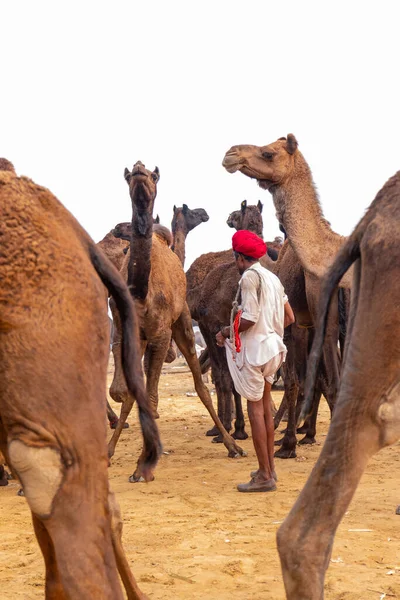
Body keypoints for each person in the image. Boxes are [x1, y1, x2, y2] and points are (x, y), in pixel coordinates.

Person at [216, 230, 295, 492]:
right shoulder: (273, 278)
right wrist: (271, 331)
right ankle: (270, 469)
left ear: (240, 258)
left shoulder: (250, 278)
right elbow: (290, 318)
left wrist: (227, 331)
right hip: (273, 350)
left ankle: (264, 475)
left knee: (256, 411)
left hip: (255, 352)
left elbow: (248, 318)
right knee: (265, 408)